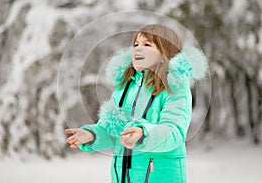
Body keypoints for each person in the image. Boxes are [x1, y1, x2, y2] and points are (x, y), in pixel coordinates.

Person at [65, 24, 208, 183]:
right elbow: (114, 130)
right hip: (123, 177)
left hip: (160, 176)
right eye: (136, 44)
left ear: (164, 54)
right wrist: (91, 135)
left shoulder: (175, 86)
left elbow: (173, 132)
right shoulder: (125, 86)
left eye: (147, 45)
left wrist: (143, 134)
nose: (138, 49)